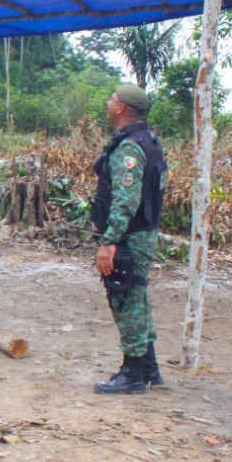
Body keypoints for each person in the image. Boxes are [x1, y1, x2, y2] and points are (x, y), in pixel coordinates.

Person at [92, 83, 168, 395]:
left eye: (112, 99)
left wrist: (110, 241)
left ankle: (132, 374)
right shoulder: (147, 138)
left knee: (125, 299)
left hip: (129, 237)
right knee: (136, 298)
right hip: (140, 233)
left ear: (121, 107)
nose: (108, 102)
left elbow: (125, 200)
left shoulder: (129, 148)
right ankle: (149, 369)